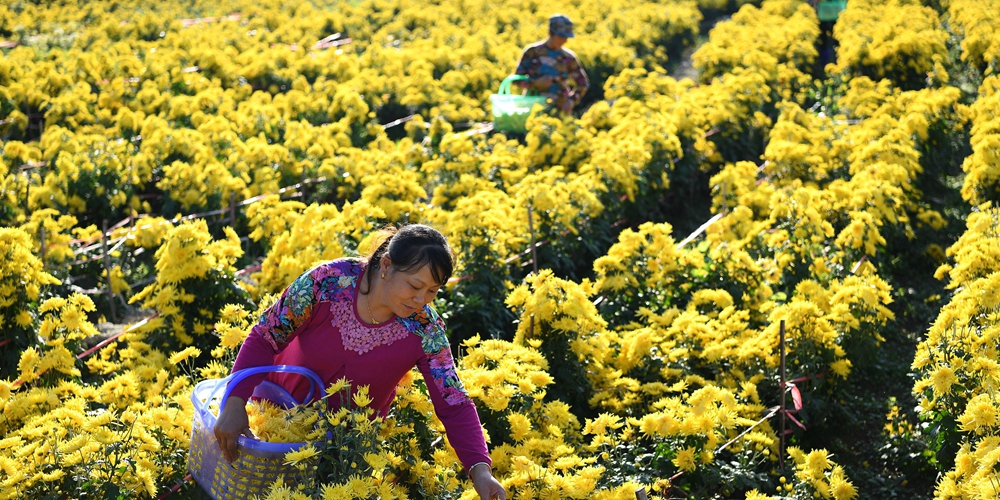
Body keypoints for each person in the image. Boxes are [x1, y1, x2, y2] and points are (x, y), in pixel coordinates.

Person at [214, 224, 507, 500]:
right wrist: (234, 402)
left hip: (346, 451)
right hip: (273, 425)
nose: (421, 299)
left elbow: (453, 401)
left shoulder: (425, 328)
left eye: (432, 291)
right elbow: (266, 336)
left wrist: (480, 470)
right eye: (414, 286)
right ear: (387, 265)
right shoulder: (326, 283)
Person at [513, 14, 590, 114]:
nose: (564, 40)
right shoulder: (532, 52)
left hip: (559, 110)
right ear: (550, 33)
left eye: (566, 37)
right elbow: (515, 79)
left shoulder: (569, 58)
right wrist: (535, 83)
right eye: (561, 36)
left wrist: (571, 100)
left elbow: (583, 84)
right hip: (532, 107)